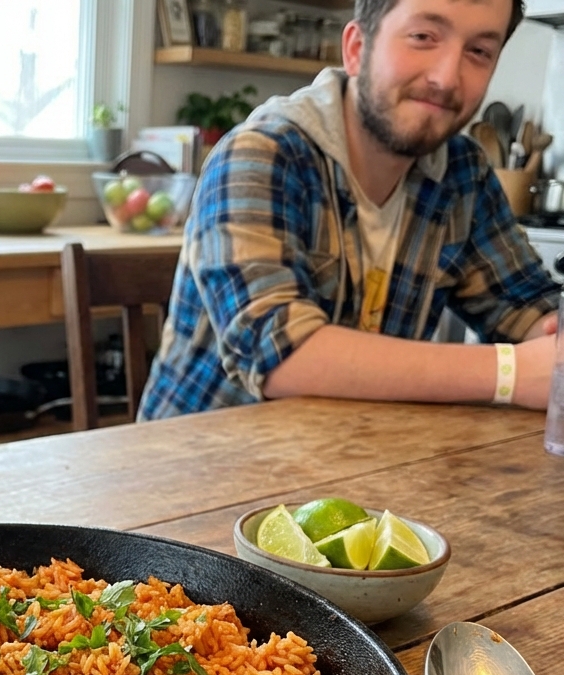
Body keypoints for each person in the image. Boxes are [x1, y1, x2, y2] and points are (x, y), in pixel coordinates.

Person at [138, 0, 560, 419]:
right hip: (200, 470)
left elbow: (531, 311)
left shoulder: (462, 173)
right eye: (423, 37)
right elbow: (279, 356)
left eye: (479, 52)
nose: (447, 77)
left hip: (354, 461)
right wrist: (510, 373)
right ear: (357, 48)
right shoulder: (261, 154)